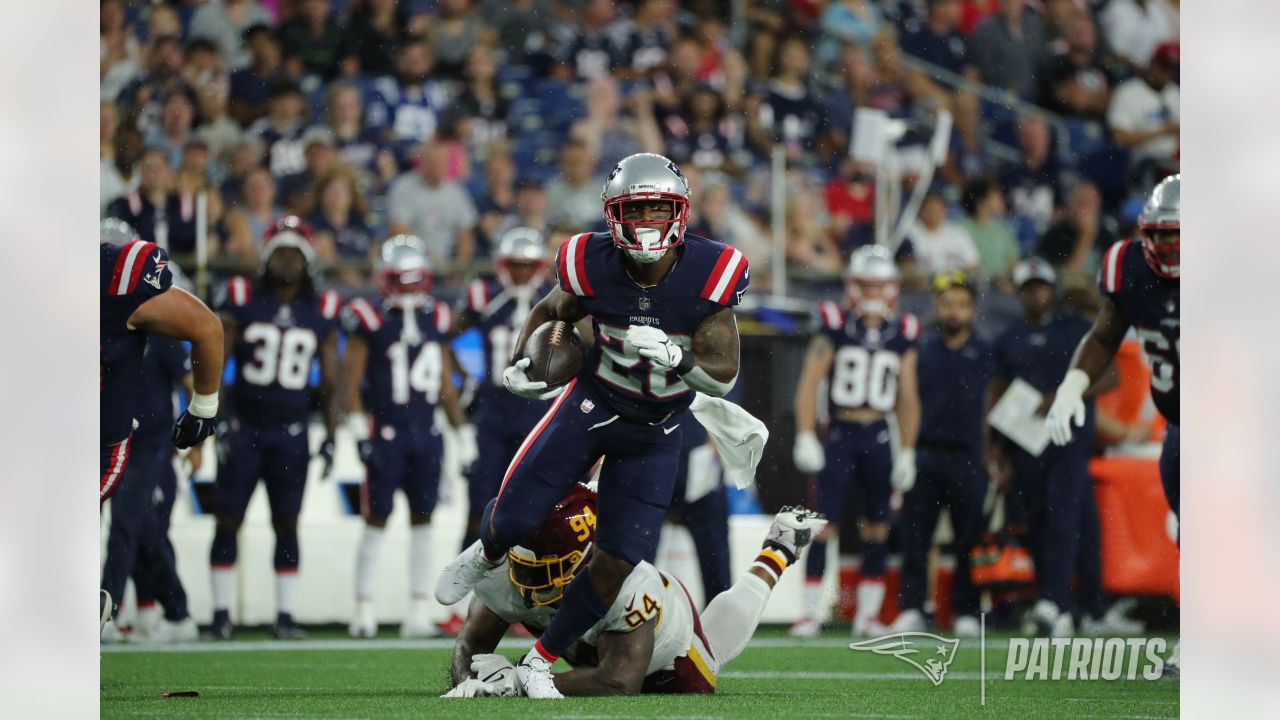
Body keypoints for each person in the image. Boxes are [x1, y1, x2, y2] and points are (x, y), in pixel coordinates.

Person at [434, 153, 749, 698]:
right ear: (613, 216)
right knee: (515, 513)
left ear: (680, 214)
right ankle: (484, 552)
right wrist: (524, 364)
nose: (648, 222)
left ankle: (539, 660)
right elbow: (551, 312)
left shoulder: (711, 272)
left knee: (618, 558)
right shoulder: (589, 260)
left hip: (657, 427)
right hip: (594, 404)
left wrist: (681, 359)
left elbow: (724, 373)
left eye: (659, 210)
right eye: (636, 210)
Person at [444, 485, 826, 697]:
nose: (528, 584)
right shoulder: (501, 571)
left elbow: (619, 681)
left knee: (706, 666)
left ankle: (776, 554)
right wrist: (471, 682)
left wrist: (515, 682)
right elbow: (470, 644)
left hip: (664, 653)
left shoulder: (628, 588)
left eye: (547, 570)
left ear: (586, 559)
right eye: (522, 567)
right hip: (590, 643)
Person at [1044, 174, 1179, 667]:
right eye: (1158, 233)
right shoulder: (1129, 267)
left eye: (1177, 234)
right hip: (1181, 423)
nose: (1165, 244)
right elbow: (1103, 336)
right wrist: (1072, 387)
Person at [207, 216, 343, 641]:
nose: (288, 263)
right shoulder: (243, 297)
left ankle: (284, 615)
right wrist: (215, 417)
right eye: (280, 253)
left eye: (295, 254)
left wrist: (333, 435)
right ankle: (221, 614)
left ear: (308, 261)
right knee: (227, 519)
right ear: (266, 258)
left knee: (287, 521)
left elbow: (332, 380)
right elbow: (219, 356)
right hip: (246, 425)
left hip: (291, 430)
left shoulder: (319, 308)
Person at [343, 235, 479, 639]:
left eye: (411, 280)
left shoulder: (436, 318)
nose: (406, 289)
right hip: (385, 433)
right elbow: (350, 379)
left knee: (424, 522)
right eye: (400, 280)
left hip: (426, 432)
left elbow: (444, 383)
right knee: (375, 520)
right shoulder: (369, 318)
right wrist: (355, 427)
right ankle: (363, 608)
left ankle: (419, 609)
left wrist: (462, 432)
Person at [790, 245, 922, 637]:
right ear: (851, 286)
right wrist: (804, 434)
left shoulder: (904, 331)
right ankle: (811, 613)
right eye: (865, 285)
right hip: (840, 433)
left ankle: (866, 616)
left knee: (877, 527)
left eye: (879, 286)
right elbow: (810, 382)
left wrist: (909, 450)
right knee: (823, 525)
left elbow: (908, 397)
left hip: (879, 434)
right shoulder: (834, 323)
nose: (872, 294)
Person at [99, 219, 223, 630]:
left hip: (126, 441)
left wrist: (203, 411)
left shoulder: (121, 286)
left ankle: (161, 610)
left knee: (137, 528)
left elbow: (205, 328)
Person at [988, 257, 1114, 637]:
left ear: (1052, 289)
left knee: (1063, 517)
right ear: (1019, 292)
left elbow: (1109, 374)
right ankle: (1084, 606)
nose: (1035, 294)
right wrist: (994, 447)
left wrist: (1067, 395)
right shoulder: (1008, 337)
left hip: (1069, 440)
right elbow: (996, 393)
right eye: (1028, 288)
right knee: (1045, 521)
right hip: (1025, 443)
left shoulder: (1077, 329)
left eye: (1041, 286)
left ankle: (1055, 601)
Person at [890, 271, 992, 638]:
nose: (954, 312)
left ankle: (966, 607)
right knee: (916, 536)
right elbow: (903, 402)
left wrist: (993, 456)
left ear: (972, 309)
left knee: (969, 536)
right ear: (937, 305)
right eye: (948, 303)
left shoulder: (986, 352)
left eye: (961, 304)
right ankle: (913, 606)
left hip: (969, 456)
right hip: (926, 452)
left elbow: (993, 408)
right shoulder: (921, 351)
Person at [101, 336, 201, 643]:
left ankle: (109, 614)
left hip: (149, 447)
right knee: (138, 530)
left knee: (134, 528)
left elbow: (190, 381)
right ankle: (168, 611)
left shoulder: (159, 337)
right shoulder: (106, 332)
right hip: (108, 443)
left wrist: (195, 439)